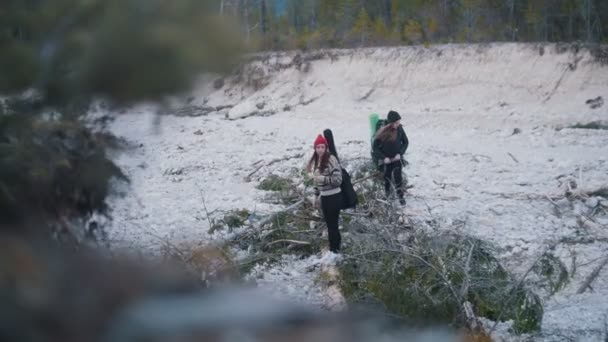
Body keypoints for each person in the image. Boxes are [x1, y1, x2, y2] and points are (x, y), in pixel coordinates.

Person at [306, 134, 342, 253]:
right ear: (315, 148)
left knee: (333, 225)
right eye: (318, 147)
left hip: (334, 196)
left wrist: (323, 179)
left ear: (326, 147)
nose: (320, 149)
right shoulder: (317, 161)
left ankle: (335, 251)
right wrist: (316, 197)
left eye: (322, 147)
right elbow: (316, 182)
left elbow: (338, 180)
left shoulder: (331, 159)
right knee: (328, 224)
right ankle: (334, 249)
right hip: (324, 198)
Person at [372, 110, 409, 205]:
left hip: (396, 159)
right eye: (396, 122)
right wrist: (384, 158)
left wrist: (400, 154)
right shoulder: (382, 131)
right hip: (387, 160)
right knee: (387, 178)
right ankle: (387, 196)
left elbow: (406, 142)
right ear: (391, 123)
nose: (398, 124)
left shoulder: (400, 129)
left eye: (399, 122)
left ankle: (400, 197)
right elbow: (375, 147)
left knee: (398, 178)